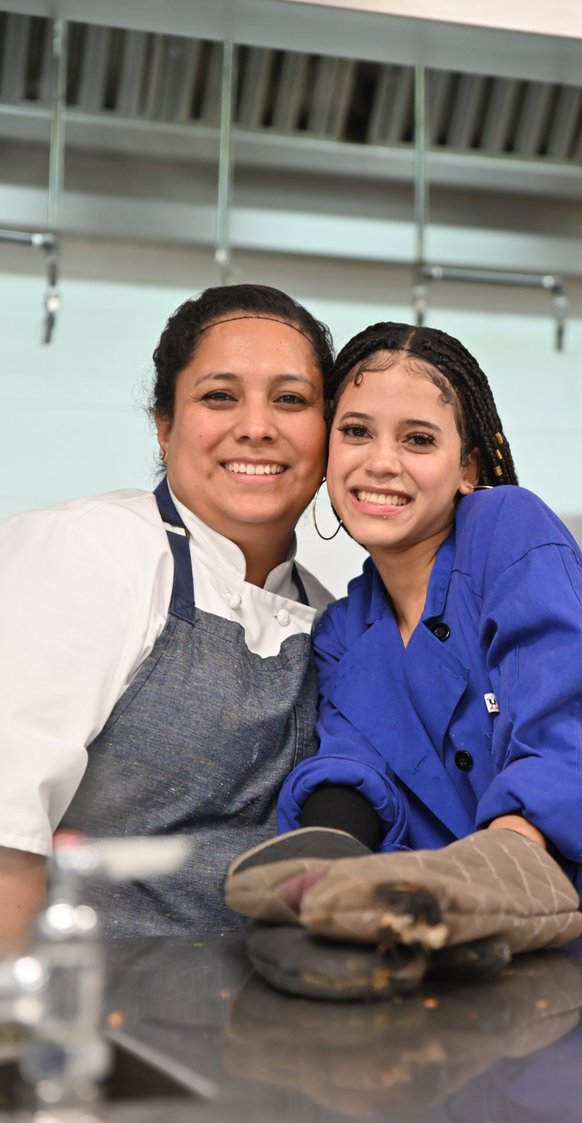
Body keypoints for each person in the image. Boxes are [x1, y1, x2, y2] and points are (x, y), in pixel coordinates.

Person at [224, 321, 582, 999]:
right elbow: (354, 762)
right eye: (356, 431)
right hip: (456, 957)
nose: (381, 462)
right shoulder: (344, 629)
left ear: (468, 468)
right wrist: (326, 854)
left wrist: (503, 861)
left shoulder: (507, 531)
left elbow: (568, 706)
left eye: (418, 439)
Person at [0, 283, 334, 944]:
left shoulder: (329, 618)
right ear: (165, 424)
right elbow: (7, 839)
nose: (257, 426)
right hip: (91, 1020)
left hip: (259, 1028)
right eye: (219, 395)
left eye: (291, 399)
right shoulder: (91, 551)